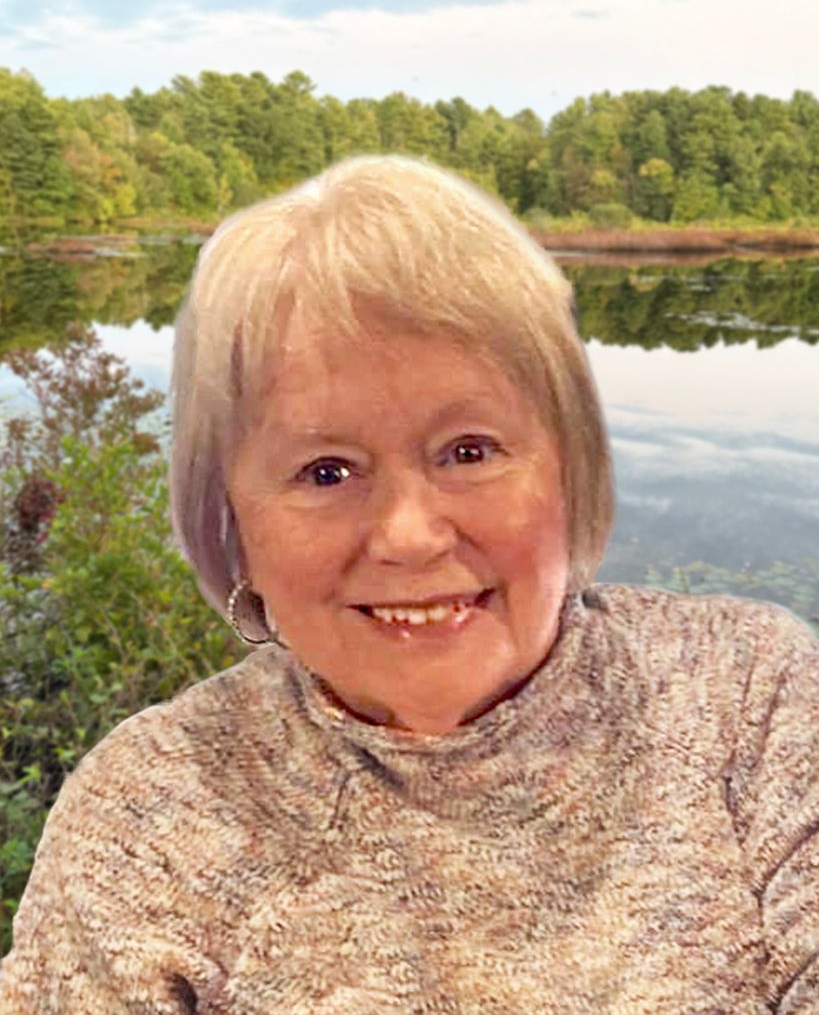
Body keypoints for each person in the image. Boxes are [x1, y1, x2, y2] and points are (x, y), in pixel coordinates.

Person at [1, 155, 817, 1015]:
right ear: (232, 524)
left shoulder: (748, 694)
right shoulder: (153, 805)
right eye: (325, 471)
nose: (408, 535)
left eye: (467, 451)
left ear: (571, 470)